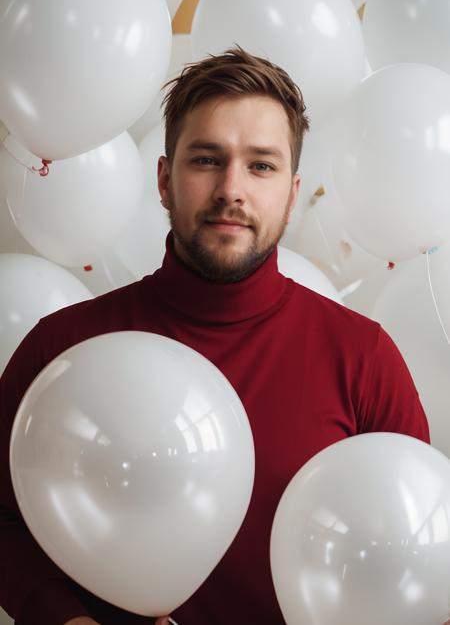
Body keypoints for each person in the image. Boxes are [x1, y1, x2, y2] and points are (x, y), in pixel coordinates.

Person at [0, 47, 436, 625]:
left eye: (261, 166)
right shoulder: (62, 351)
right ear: (163, 179)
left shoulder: (363, 357)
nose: (232, 188)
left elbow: (422, 547)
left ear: (292, 191)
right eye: (207, 159)